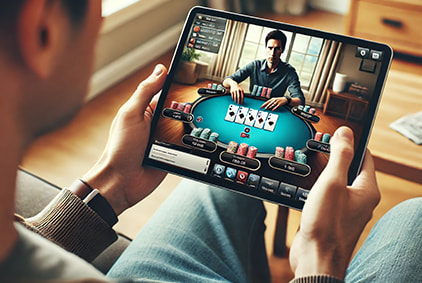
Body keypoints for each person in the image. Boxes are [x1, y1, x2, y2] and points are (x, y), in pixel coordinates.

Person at [1, 1, 421, 282]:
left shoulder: (287, 71)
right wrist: (320, 258)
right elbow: (230, 80)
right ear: (42, 28)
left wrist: (111, 182)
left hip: (270, 120)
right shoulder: (255, 62)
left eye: (277, 49)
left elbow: (295, 97)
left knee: (217, 188)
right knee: (414, 218)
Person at [222, 30, 305, 110]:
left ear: (282, 50)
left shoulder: (289, 72)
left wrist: (287, 100)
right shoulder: (255, 65)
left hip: (274, 110)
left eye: (277, 48)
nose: (273, 53)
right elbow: (225, 81)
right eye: (270, 48)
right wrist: (233, 84)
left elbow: (300, 101)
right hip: (251, 106)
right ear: (266, 48)